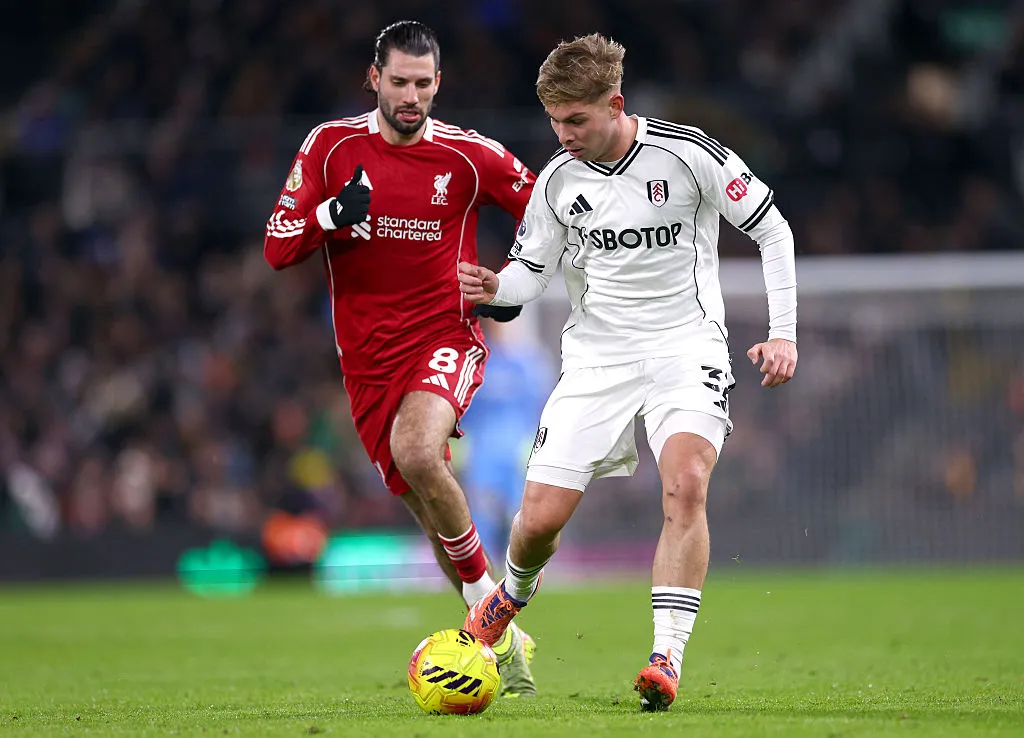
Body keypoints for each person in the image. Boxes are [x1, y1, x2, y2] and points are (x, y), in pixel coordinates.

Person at [458, 33, 798, 711]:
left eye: (576, 120)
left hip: (686, 347)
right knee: (537, 523)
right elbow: (531, 274)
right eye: (555, 122)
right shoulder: (558, 181)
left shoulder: (688, 153)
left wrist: (782, 333)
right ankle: (516, 591)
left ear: (615, 103)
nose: (564, 135)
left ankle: (665, 655)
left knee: (687, 485)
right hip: (596, 359)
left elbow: (772, 229)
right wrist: (494, 287)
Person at [263, 20, 538, 696]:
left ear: (437, 83)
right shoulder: (330, 146)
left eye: (423, 84)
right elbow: (277, 245)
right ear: (374, 78)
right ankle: (492, 624)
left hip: (447, 337)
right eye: (399, 82)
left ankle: (492, 621)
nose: (411, 96)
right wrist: (331, 215)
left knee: (418, 452)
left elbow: (548, 209)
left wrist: (510, 284)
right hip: (367, 362)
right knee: (421, 497)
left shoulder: (470, 157)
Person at [458, 315, 556, 560]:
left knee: (522, 513)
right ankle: (482, 569)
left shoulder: (529, 363)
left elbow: (543, 409)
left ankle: (526, 569)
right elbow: (464, 412)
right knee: (482, 514)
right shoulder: (477, 361)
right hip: (482, 453)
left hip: (518, 452)